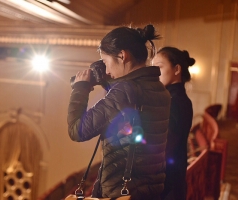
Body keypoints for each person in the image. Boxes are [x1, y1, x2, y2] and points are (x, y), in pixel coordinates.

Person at [67, 24, 171, 200]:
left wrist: (80, 88)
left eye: (106, 62)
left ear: (122, 55)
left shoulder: (124, 91)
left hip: (121, 192)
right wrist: (105, 81)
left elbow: (77, 130)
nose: (107, 70)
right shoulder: (159, 89)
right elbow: (128, 107)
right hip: (150, 189)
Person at [152, 47, 194, 200]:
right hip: (170, 180)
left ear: (177, 69)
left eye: (160, 67)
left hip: (167, 184)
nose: (155, 72)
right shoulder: (174, 99)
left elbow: (165, 146)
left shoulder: (174, 102)